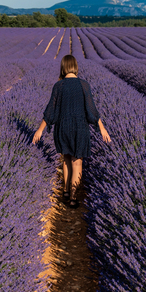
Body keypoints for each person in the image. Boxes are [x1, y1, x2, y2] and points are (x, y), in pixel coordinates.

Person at [32, 54, 111, 208]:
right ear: (75, 67)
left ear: (63, 67)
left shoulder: (59, 86)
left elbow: (50, 112)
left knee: (67, 159)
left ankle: (66, 191)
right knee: (77, 163)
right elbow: (91, 110)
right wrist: (102, 128)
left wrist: (40, 130)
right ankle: (73, 198)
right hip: (79, 127)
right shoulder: (84, 85)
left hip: (63, 128)